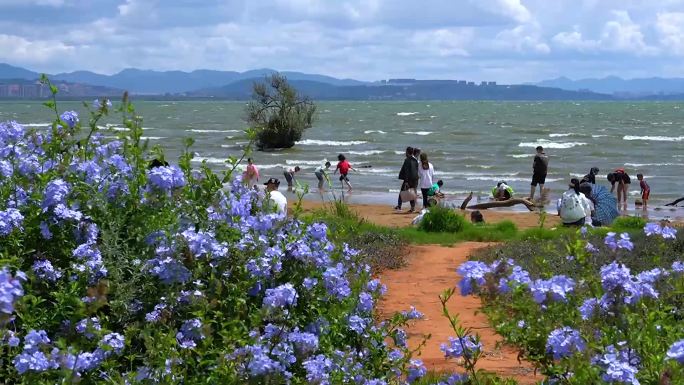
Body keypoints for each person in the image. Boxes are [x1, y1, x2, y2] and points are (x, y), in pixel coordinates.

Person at [395, 146, 419, 213]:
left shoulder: (407, 160)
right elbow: (417, 170)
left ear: (407, 152)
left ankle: (399, 208)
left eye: (406, 152)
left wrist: (406, 181)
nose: (405, 153)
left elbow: (406, 171)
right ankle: (412, 208)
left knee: (401, 193)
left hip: (409, 180)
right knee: (412, 193)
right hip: (415, 179)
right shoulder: (415, 160)